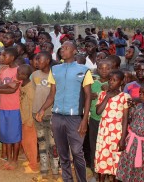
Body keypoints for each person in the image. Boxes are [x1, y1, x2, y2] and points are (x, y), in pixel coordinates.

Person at [36, 41, 93, 182]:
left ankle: (81, 180)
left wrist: (84, 120)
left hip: (74, 118)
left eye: (67, 48)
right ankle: (67, 179)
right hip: (57, 117)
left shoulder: (84, 70)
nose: (63, 50)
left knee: (77, 152)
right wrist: (42, 109)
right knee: (63, 153)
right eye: (62, 48)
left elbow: (88, 96)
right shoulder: (55, 70)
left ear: (74, 51)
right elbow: (52, 94)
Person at [116, 82, 144, 181]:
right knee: (127, 166)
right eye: (140, 93)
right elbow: (129, 121)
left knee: (141, 170)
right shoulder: (137, 107)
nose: (141, 96)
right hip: (131, 143)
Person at [94, 70, 130, 182]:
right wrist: (107, 97)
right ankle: (101, 179)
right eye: (110, 79)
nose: (111, 82)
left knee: (115, 159)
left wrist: (123, 138)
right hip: (104, 132)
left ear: (122, 82)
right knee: (102, 158)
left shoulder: (125, 97)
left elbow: (125, 119)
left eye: (115, 80)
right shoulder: (102, 94)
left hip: (117, 132)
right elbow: (98, 111)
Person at [32, 51, 59, 181]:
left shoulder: (55, 75)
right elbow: (33, 93)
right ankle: (44, 169)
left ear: (48, 61)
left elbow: (55, 95)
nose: (37, 62)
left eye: (40, 59)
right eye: (36, 60)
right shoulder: (34, 75)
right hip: (37, 113)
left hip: (51, 113)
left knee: (53, 143)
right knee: (41, 141)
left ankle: (55, 170)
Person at [0, 47, 21, 170]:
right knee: (6, 135)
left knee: (15, 136)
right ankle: (9, 159)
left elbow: (13, 89)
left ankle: (15, 160)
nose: (2, 58)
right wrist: (1, 86)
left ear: (12, 58)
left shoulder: (18, 71)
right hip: (3, 107)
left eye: (4, 56)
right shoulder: (3, 70)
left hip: (14, 107)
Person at [88, 59, 111, 174]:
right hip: (94, 119)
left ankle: (106, 170)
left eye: (107, 68)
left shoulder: (113, 84)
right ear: (97, 69)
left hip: (109, 122)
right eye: (101, 68)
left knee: (106, 147)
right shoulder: (93, 83)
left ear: (112, 70)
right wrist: (90, 96)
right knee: (94, 145)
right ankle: (94, 170)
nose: (104, 71)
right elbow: (86, 98)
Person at [16, 64, 39, 174]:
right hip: (23, 118)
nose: (17, 74)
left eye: (19, 73)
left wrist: (30, 121)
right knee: (24, 141)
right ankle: (30, 160)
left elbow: (33, 106)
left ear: (25, 75)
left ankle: (33, 165)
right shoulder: (22, 85)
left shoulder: (30, 89)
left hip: (29, 120)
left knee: (30, 142)